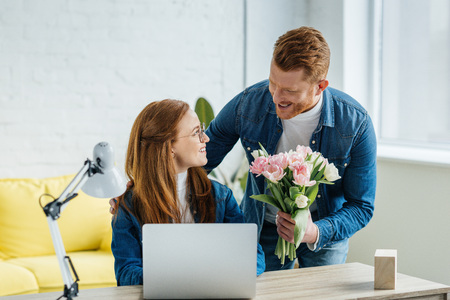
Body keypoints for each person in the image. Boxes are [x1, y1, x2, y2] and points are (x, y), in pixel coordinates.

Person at [204, 26, 377, 271]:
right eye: (273, 83)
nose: (276, 97)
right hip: (263, 226)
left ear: (320, 86)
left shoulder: (355, 123)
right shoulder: (248, 104)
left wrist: (315, 231)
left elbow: (362, 206)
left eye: (290, 91)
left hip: (324, 231)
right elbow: (201, 158)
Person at [111, 99, 266, 286]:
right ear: (170, 147)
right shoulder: (129, 205)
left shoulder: (221, 196)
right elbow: (126, 272)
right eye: (196, 133)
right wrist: (180, 279)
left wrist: (210, 274)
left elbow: (254, 256)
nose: (206, 138)